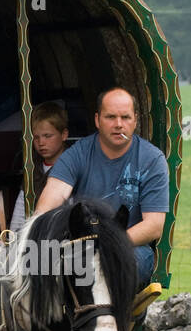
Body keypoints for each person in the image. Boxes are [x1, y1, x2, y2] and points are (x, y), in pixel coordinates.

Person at [33, 87, 168, 287]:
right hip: (80, 244)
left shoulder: (151, 159)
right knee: (41, 266)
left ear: (135, 120)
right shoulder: (78, 154)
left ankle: (121, 316)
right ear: (97, 120)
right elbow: (49, 201)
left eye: (125, 117)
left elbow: (154, 226)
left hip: (129, 245)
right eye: (110, 117)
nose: (118, 125)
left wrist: (106, 244)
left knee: (119, 266)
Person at [9, 101, 68, 233]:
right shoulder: (32, 169)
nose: (41, 143)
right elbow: (19, 214)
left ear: (64, 135)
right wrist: (12, 239)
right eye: (36, 137)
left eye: (48, 136)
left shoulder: (74, 167)